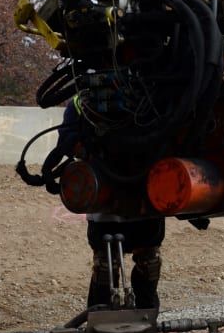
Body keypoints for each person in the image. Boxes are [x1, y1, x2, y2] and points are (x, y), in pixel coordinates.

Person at [56, 99, 165, 312]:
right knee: (106, 266)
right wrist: (87, 149)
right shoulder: (81, 102)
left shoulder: (149, 92)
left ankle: (146, 323)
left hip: (144, 197)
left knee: (149, 263)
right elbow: (67, 139)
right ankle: (100, 328)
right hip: (105, 201)